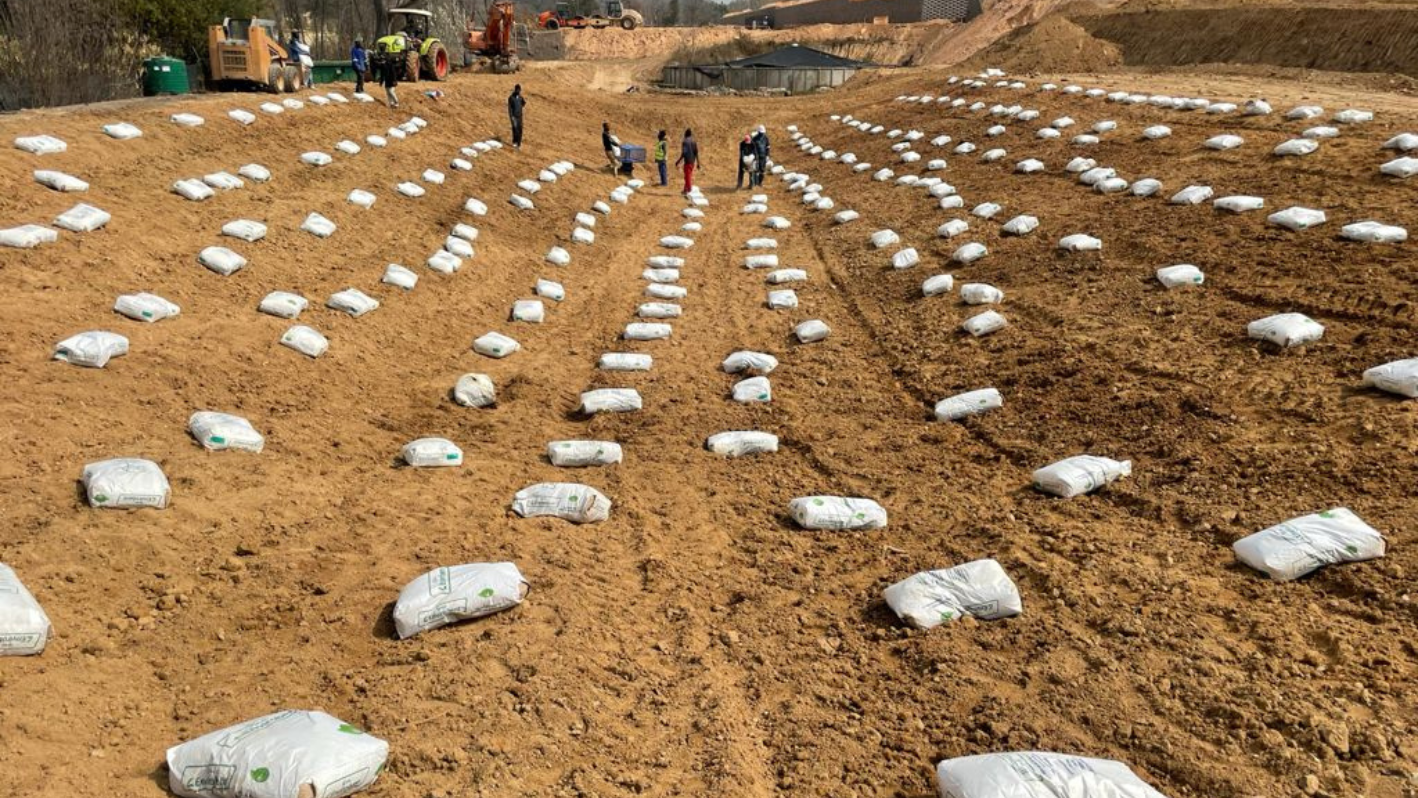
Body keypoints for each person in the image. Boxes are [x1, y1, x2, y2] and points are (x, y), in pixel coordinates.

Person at [675, 128, 701, 196]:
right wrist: (698, 163)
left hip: (687, 162)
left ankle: (689, 190)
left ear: (685, 134)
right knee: (688, 176)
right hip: (692, 162)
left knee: (687, 177)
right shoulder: (694, 142)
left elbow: (684, 153)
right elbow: (696, 153)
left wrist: (678, 161)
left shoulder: (685, 142)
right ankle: (685, 190)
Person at [507, 85, 526, 150]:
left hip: (520, 117)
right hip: (514, 117)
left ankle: (519, 144)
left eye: (519, 90)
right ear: (515, 90)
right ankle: (515, 142)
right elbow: (509, 109)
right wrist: (511, 117)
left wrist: (520, 108)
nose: (519, 91)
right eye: (518, 90)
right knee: (515, 130)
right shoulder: (511, 98)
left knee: (520, 130)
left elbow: (524, 103)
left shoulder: (520, 97)